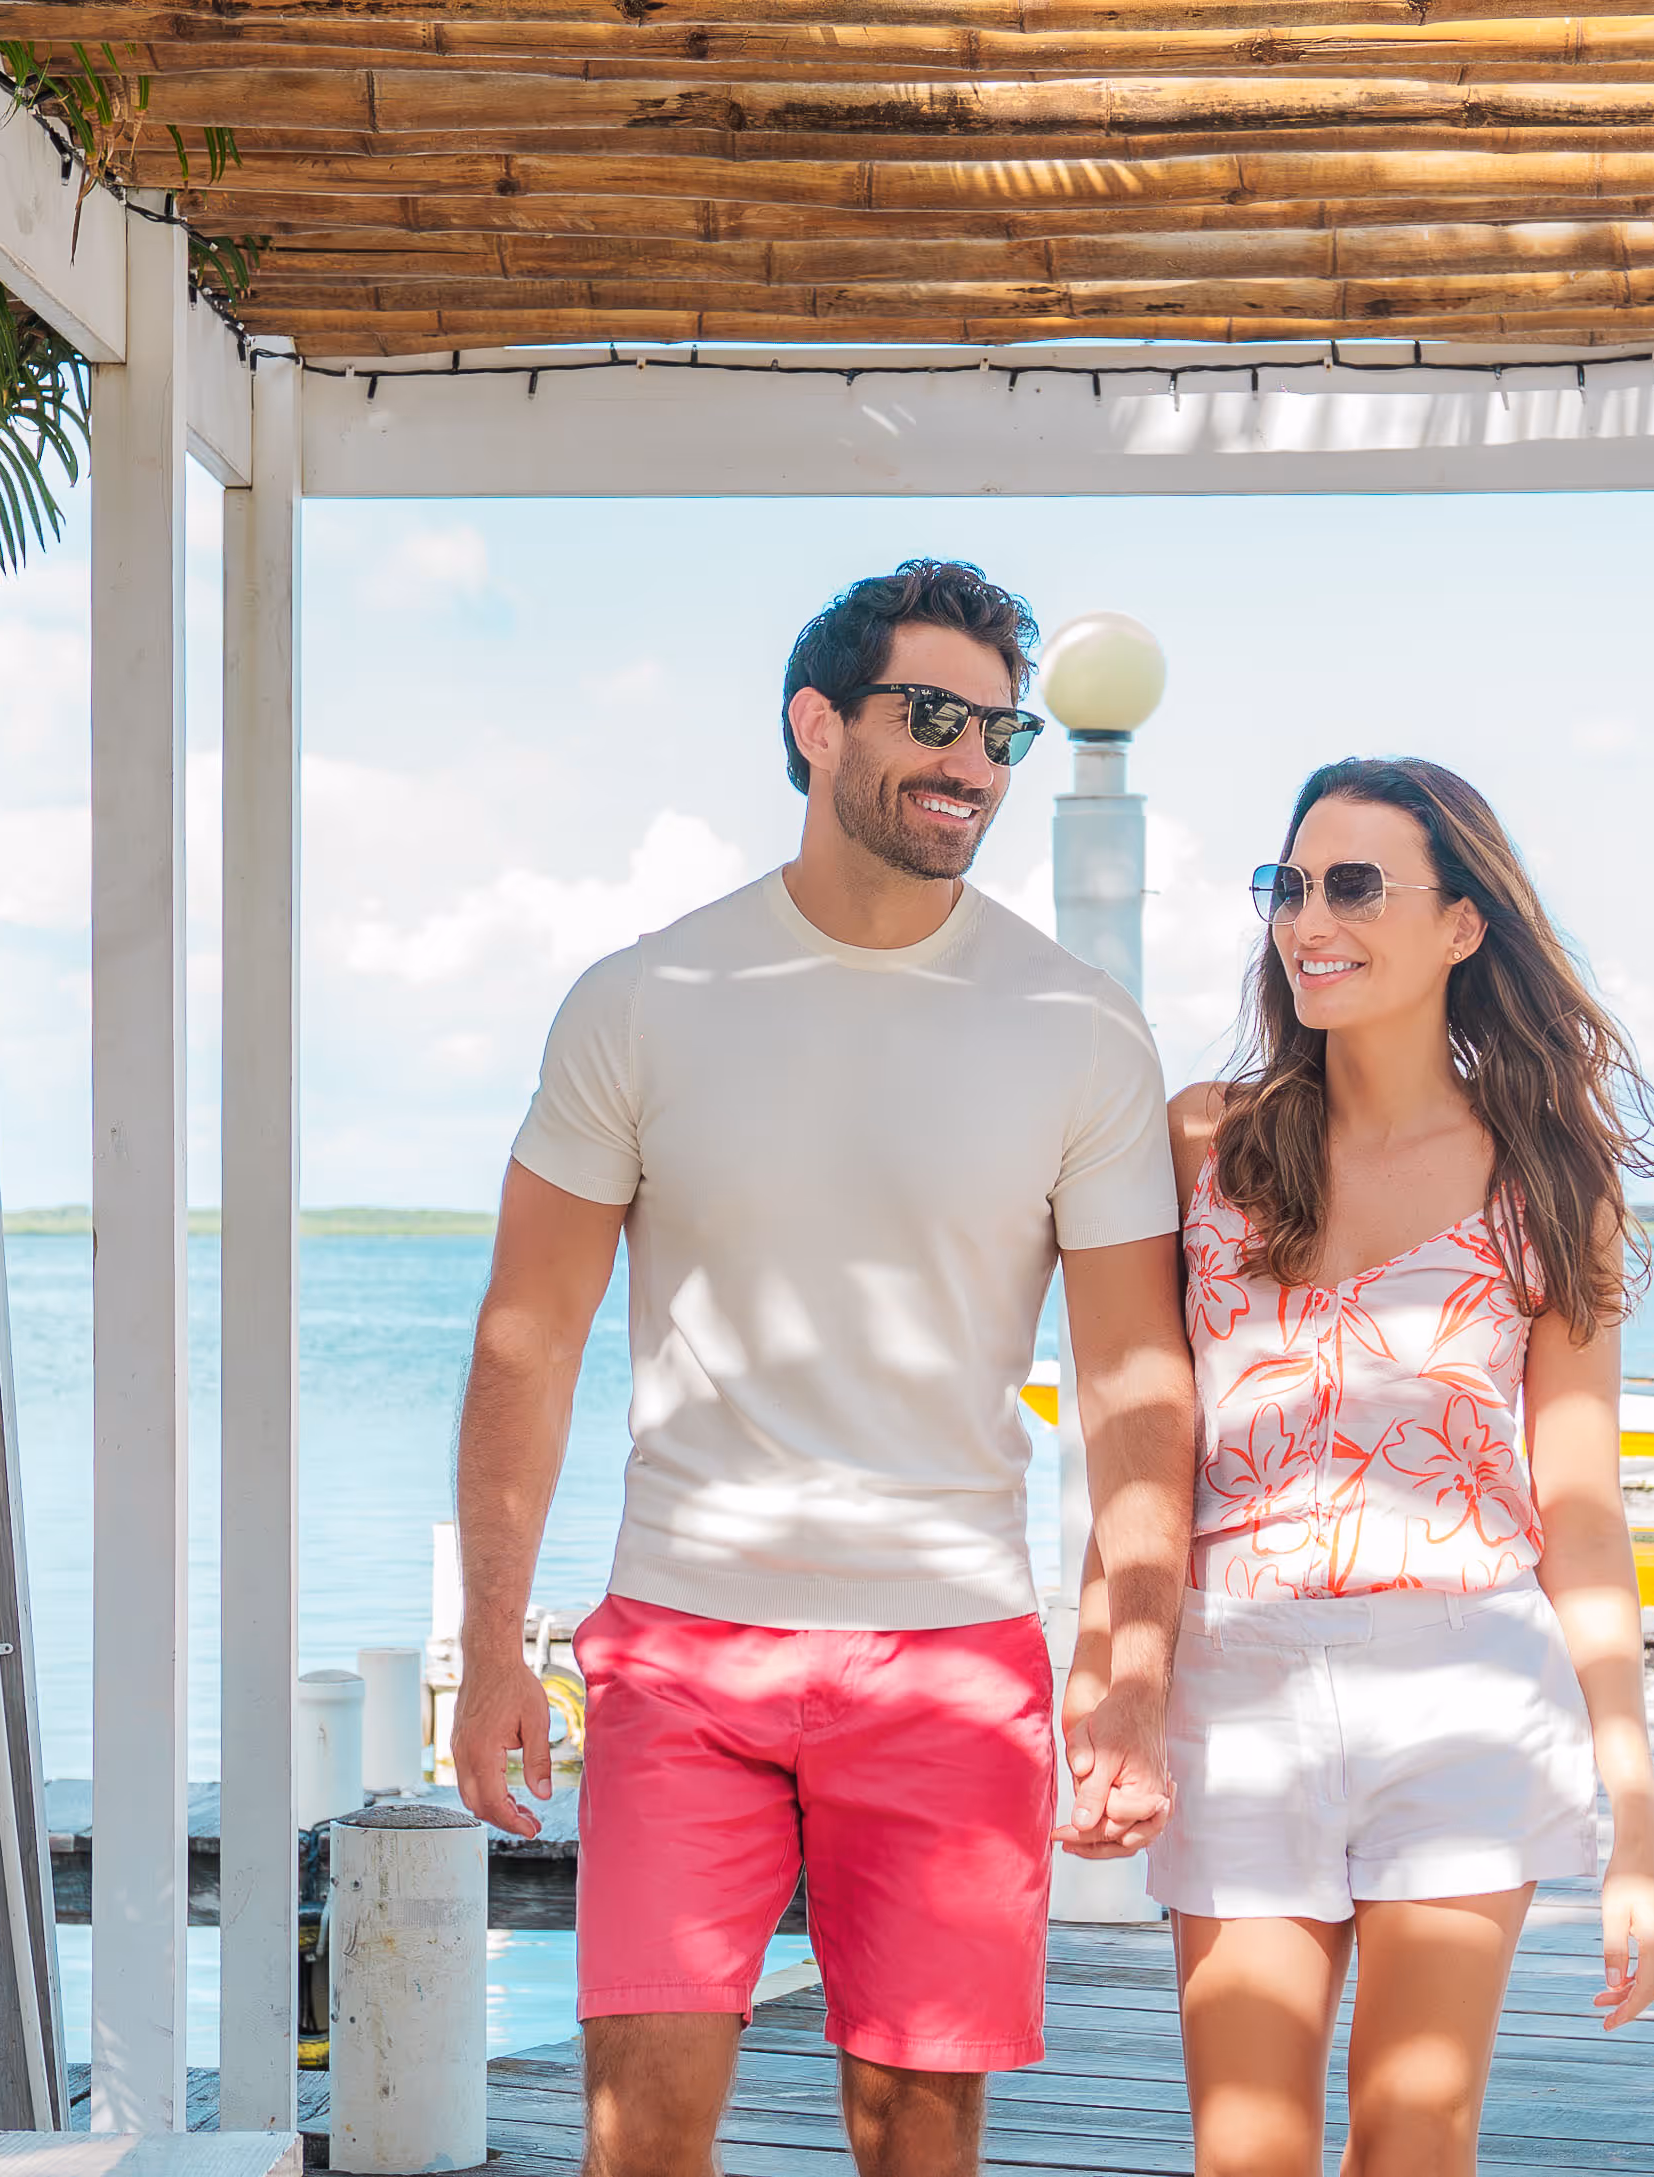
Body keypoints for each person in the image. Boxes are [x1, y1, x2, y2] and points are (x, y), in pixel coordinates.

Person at [448, 559, 1198, 2177]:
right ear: (814, 724)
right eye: (933, 718)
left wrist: (1127, 1671)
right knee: (638, 2134)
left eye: (1003, 732)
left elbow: (1138, 1383)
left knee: (918, 2136)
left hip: (951, 1648)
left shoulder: (1076, 1028)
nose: (974, 764)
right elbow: (531, 1337)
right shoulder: (643, 1001)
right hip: (682, 1644)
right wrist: (494, 1640)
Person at [1138, 755, 1654, 2177]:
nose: (1311, 918)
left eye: (1357, 885)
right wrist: (1116, 1687)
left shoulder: (1551, 1175)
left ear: (1462, 925)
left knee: (1414, 2139)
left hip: (1462, 1686)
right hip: (1237, 1680)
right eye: (1292, 885)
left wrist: (1635, 1809)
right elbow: (1140, 1439)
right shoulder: (1204, 1141)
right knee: (1242, 2153)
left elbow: (1580, 1504)